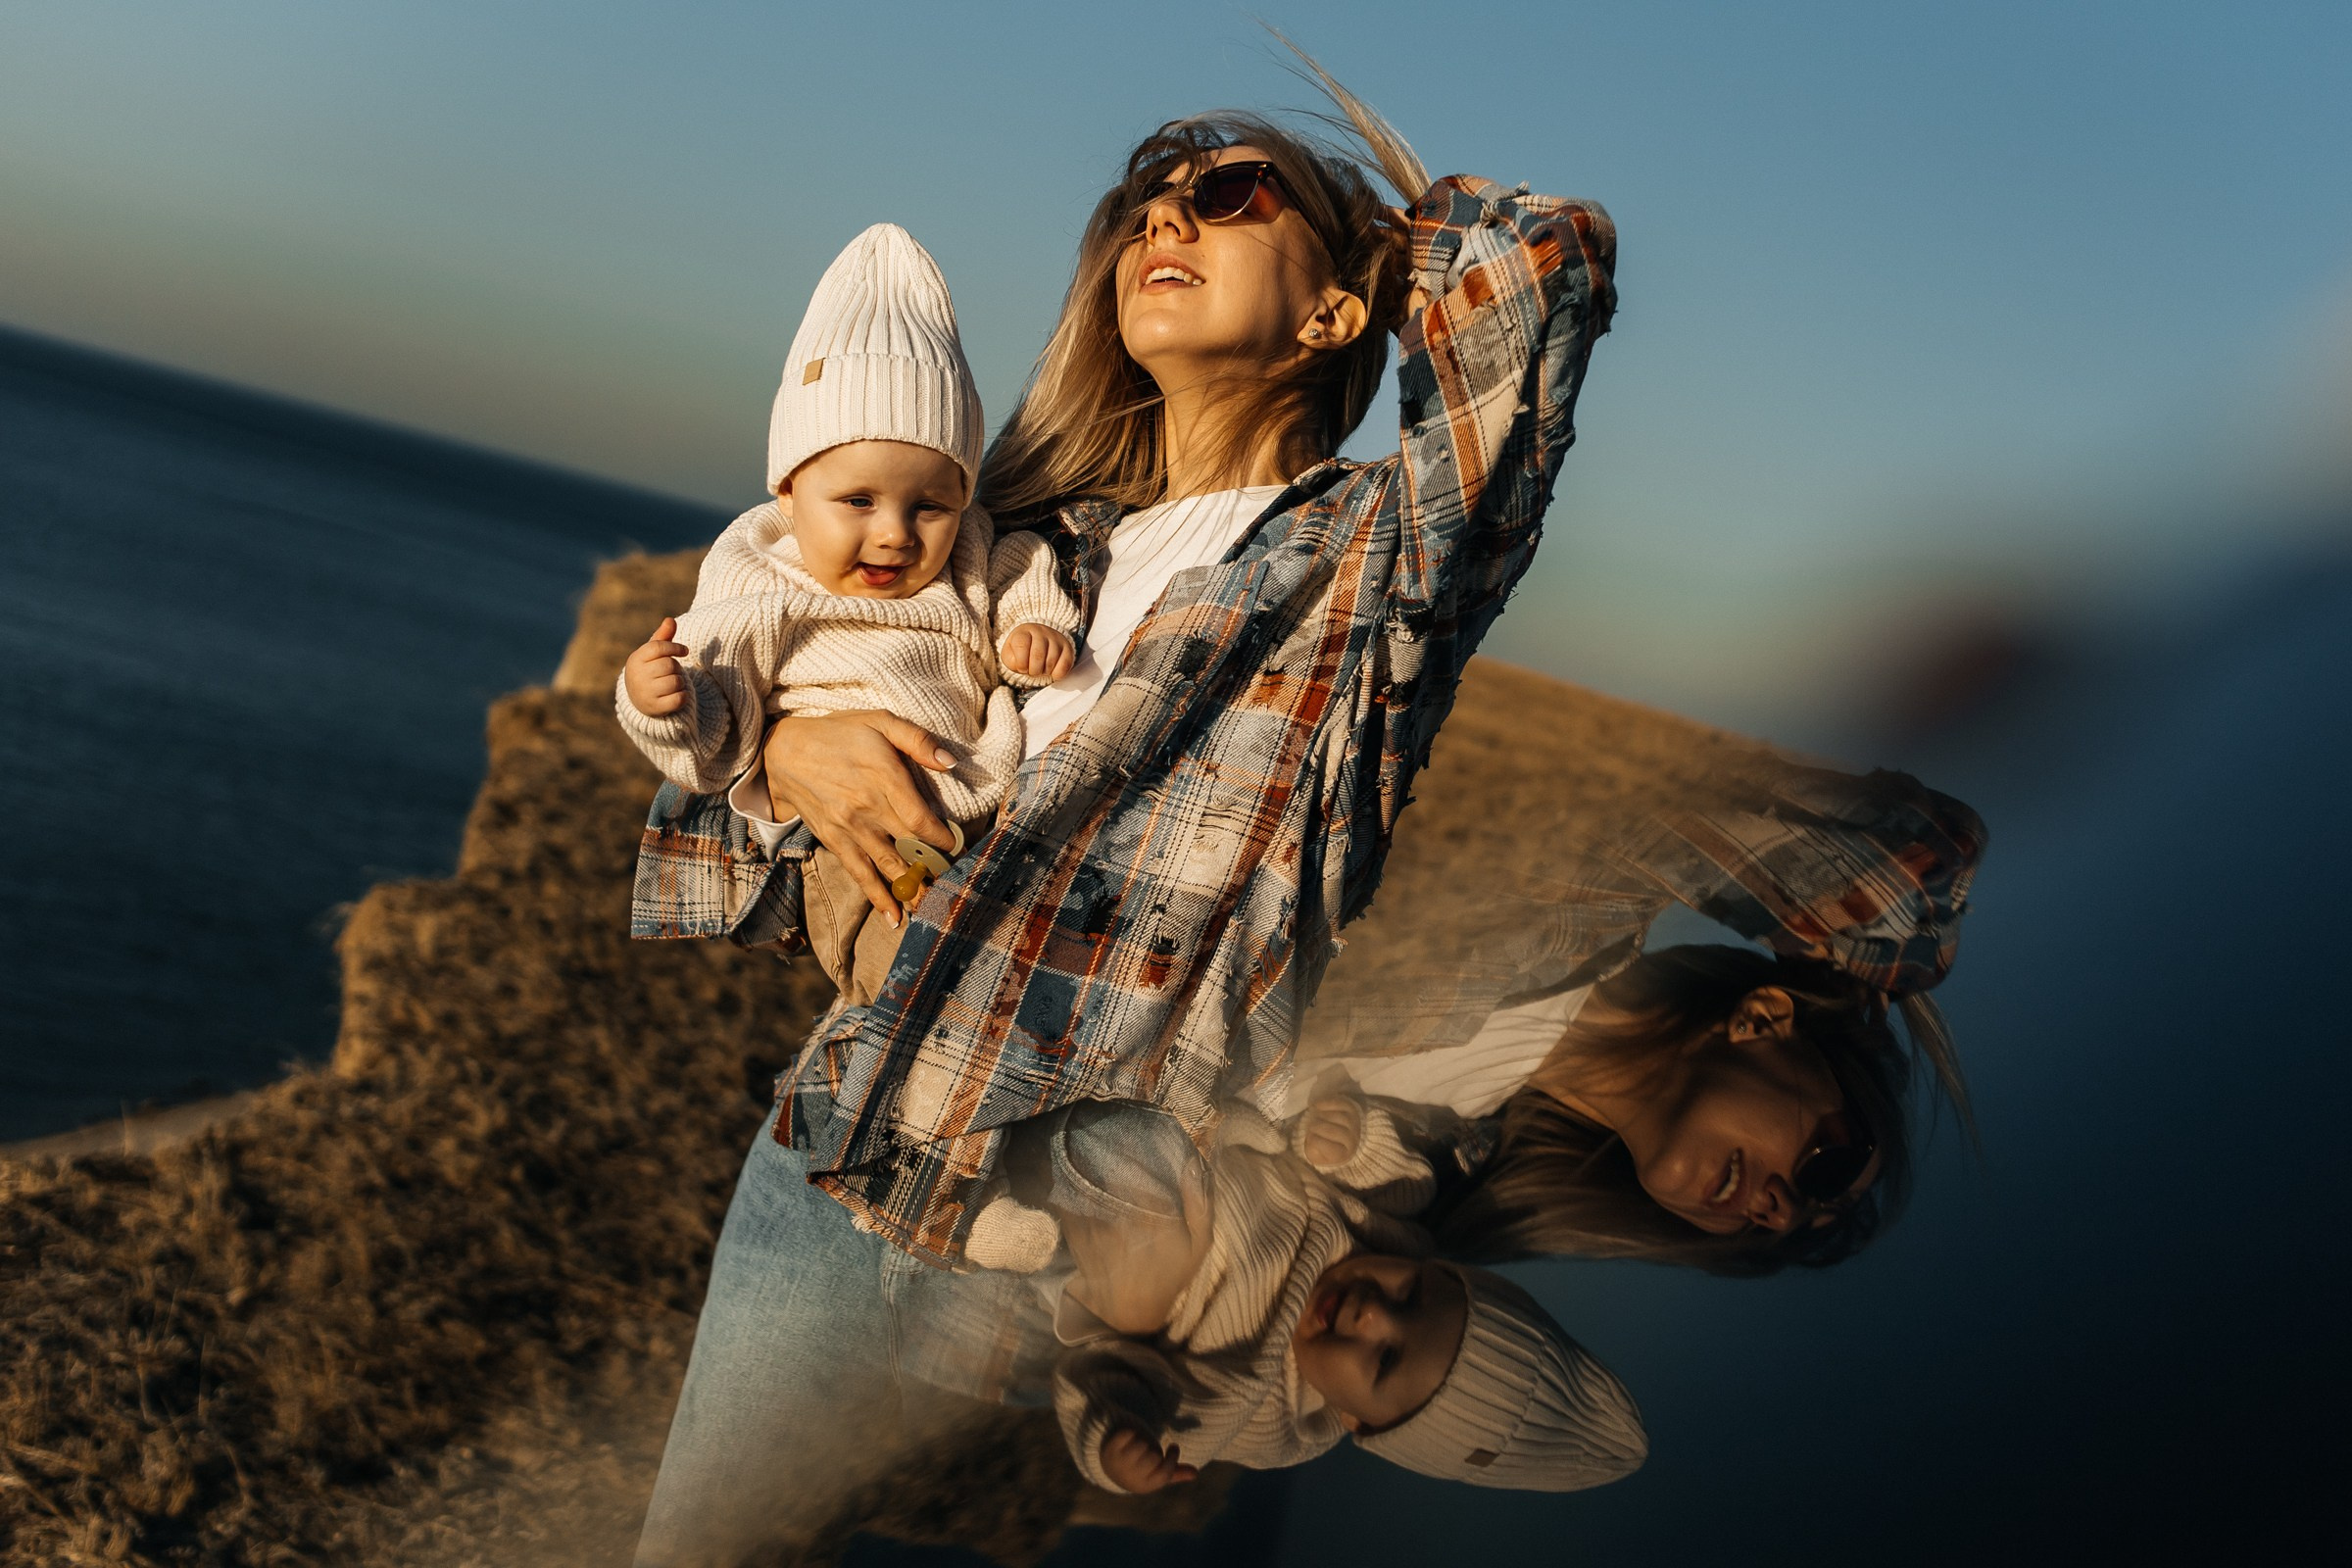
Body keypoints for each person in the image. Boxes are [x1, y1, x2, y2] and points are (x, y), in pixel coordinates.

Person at [615, 223, 1081, 1004]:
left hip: (973, 815)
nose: (895, 532)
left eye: (929, 504)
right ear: (790, 492)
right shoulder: (762, 579)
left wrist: (1032, 627)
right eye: (858, 501)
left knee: (998, 975)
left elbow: (1023, 567)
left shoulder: (972, 552)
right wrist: (660, 701)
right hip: (846, 841)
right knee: (906, 989)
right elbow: (717, 734)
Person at [960, 1098, 1648, 1498]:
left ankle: (967, 1186)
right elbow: (1395, 1163)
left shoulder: (1264, 1424)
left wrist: (1117, 1450)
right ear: (1431, 1265)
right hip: (1184, 1131)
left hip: (1091, 1253)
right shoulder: (1379, 1222)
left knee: (1013, 1255)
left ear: (1357, 1422)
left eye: (1383, 1361)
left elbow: (1120, 1394)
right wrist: (1346, 1135)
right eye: (1410, 1293)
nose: (1373, 1314)